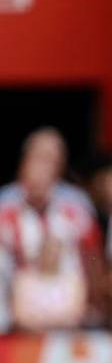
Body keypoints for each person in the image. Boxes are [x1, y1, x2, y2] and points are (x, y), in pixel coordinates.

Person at [0, 129, 104, 332]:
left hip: (65, 292)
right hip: (16, 291)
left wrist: (96, 301)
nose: (42, 168)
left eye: (50, 160)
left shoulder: (76, 204)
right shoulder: (5, 203)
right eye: (39, 159)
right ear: (24, 163)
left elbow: (92, 256)